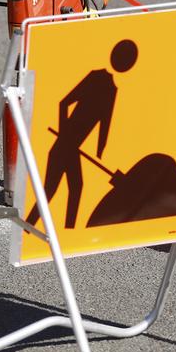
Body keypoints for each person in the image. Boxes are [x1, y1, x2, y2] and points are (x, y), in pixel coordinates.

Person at [25, 39, 138, 229]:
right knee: (52, 190)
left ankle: (65, 229)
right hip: (64, 146)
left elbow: (105, 126)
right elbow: (64, 103)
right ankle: (34, 226)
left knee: (74, 189)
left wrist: (100, 153)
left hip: (72, 147)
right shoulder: (95, 78)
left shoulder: (112, 90)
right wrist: (63, 133)